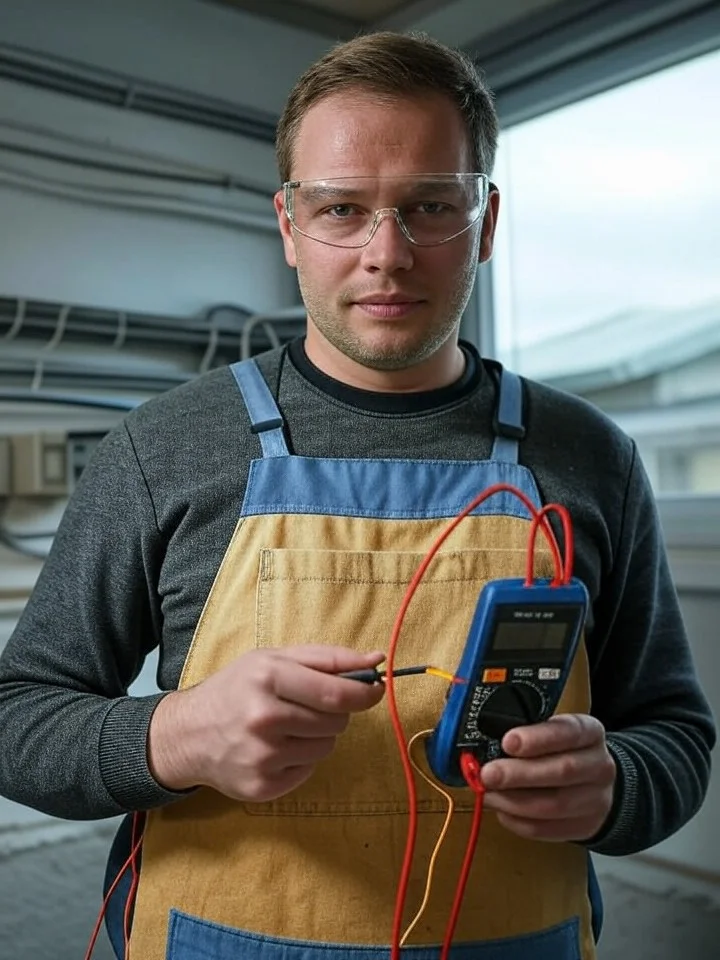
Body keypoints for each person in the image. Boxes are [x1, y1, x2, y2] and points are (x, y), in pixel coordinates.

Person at [0, 30, 714, 960]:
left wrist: (617, 785)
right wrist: (172, 738)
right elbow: (17, 719)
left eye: (430, 206)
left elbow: (676, 735)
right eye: (341, 208)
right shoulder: (161, 448)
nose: (388, 253)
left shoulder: (592, 456)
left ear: (486, 222)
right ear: (289, 226)